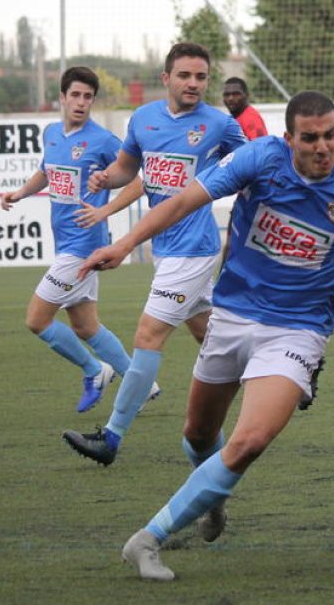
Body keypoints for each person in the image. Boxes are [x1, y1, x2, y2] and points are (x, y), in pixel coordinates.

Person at [80, 90, 334, 581]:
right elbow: (184, 199)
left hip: (299, 329)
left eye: (330, 135)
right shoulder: (259, 158)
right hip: (232, 314)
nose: (322, 146)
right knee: (199, 434)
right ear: (288, 138)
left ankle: (147, 540)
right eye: (309, 138)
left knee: (248, 441)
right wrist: (125, 244)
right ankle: (212, 496)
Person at [61, 42, 246, 465]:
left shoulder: (219, 124)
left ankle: (110, 438)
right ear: (166, 78)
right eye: (185, 75)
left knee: (147, 336)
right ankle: (282, 376)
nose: (194, 83)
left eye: (201, 76)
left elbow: (254, 160)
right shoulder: (143, 119)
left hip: (193, 250)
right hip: (165, 248)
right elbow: (132, 168)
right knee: (211, 334)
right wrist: (108, 178)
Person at [0, 67, 142, 412]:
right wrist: (20, 192)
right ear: (62, 97)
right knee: (85, 325)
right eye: (75, 95)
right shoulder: (51, 133)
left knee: (36, 319)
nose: (81, 102)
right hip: (65, 243)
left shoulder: (104, 140)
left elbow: (139, 177)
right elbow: (46, 172)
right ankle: (141, 384)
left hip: (83, 246)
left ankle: (95, 371)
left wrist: (105, 208)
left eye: (88, 96)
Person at [222, 75, 334, 315]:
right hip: (251, 192)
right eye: (227, 93)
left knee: (249, 244)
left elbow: (254, 154)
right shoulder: (235, 119)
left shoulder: (248, 119)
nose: (231, 98)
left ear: (246, 96)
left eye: (236, 93)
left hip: (260, 193)